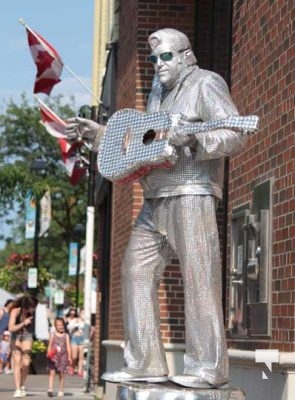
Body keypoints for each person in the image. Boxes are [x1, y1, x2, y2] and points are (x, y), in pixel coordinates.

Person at [65, 28, 248, 389]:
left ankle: (208, 368)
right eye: (153, 59)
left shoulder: (206, 83)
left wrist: (196, 139)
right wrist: (99, 135)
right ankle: (145, 363)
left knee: (200, 278)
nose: (158, 64)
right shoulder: (157, 94)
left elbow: (235, 134)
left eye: (166, 57)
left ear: (186, 56)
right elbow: (143, 145)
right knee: (134, 271)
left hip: (191, 193)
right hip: (154, 200)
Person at [8, 295, 38, 398]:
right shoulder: (15, 311)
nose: (33, 308)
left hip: (27, 335)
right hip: (15, 336)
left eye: (34, 306)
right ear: (26, 305)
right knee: (17, 361)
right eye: (32, 306)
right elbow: (11, 328)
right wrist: (23, 323)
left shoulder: (32, 313)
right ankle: (17, 389)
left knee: (26, 362)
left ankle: (22, 385)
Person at [47, 317, 72, 397]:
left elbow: (68, 346)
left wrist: (69, 357)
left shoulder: (66, 336)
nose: (60, 327)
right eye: (58, 325)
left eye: (62, 325)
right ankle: (50, 389)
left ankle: (61, 390)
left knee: (61, 373)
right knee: (52, 372)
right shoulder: (52, 334)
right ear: (55, 326)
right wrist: (48, 353)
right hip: (53, 357)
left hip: (63, 356)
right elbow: (50, 345)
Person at [65, 309, 85, 377]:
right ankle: (72, 367)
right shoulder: (74, 320)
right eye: (82, 313)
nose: (83, 315)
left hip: (82, 338)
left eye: (84, 313)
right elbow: (69, 328)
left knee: (81, 356)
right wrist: (75, 324)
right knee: (74, 356)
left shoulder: (85, 321)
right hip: (74, 338)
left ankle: (80, 370)